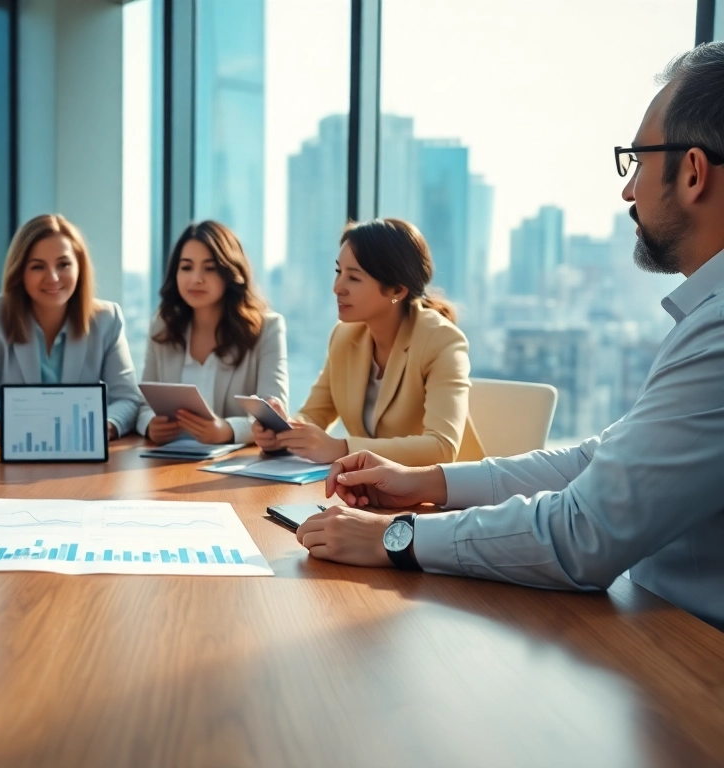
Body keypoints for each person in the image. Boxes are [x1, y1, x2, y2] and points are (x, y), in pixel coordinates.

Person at [294, 42, 724, 630]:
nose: (628, 191)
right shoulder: (706, 319)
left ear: (694, 172)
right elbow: (592, 461)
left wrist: (397, 536)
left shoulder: (718, 333)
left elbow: (584, 533)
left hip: (687, 657)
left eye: (637, 162)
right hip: (652, 626)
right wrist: (424, 485)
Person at [253, 218, 483, 466]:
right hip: (372, 492)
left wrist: (342, 448)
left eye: (354, 277)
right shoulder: (344, 336)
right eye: (339, 272)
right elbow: (314, 414)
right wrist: (285, 433)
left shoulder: (441, 341)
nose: (337, 287)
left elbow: (441, 448)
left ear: (397, 291)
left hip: (442, 497)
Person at [0, 214, 142, 440]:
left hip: (82, 452)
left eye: (63, 264)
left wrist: (101, 427)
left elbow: (128, 399)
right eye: (37, 267)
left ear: (79, 267)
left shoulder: (106, 318)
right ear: (20, 271)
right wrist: (19, 430)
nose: (53, 278)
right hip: (12, 456)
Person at [136, 220, 288, 445]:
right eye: (186, 267)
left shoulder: (267, 328)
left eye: (210, 268)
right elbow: (143, 405)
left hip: (235, 468)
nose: (196, 278)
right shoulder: (163, 327)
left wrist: (228, 430)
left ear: (230, 272)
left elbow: (274, 413)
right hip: (169, 461)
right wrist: (150, 425)